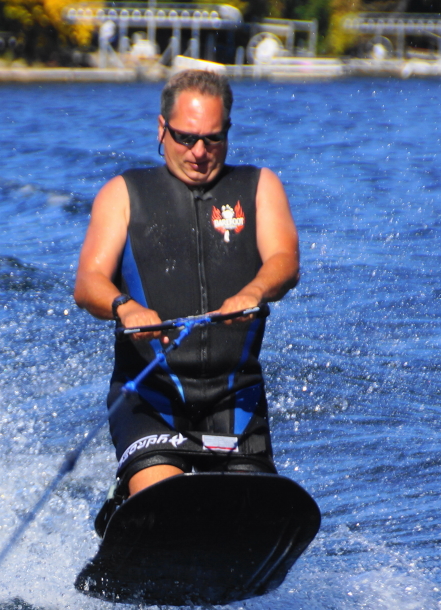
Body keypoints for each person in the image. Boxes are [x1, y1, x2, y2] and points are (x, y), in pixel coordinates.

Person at [74, 70, 299, 521]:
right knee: (168, 507)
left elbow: (285, 260)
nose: (199, 152)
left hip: (235, 397)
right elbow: (88, 282)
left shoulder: (260, 187)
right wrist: (125, 307)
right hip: (150, 396)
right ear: (162, 129)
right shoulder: (122, 194)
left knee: (243, 522)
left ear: (228, 131)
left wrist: (255, 290)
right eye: (186, 137)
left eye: (213, 139)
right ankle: (133, 508)